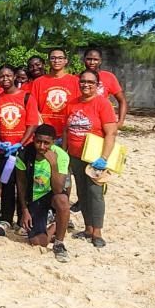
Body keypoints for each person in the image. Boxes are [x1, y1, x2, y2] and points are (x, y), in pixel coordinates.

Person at [63, 70, 118, 248]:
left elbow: (111, 132)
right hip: (75, 156)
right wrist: (64, 151)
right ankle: (87, 228)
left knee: (95, 193)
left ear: (97, 84)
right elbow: (66, 129)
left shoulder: (103, 104)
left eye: (90, 82)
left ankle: (97, 232)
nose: (86, 85)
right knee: (82, 192)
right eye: (83, 81)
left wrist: (104, 158)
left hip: (95, 157)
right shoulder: (71, 103)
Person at [15, 124, 72, 262]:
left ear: (53, 142)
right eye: (38, 142)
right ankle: (56, 226)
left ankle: (59, 243)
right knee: (38, 241)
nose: (41, 146)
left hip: (52, 194)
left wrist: (53, 165)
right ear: (33, 139)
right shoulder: (24, 154)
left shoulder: (61, 155)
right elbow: (21, 184)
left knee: (62, 201)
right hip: (34, 197)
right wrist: (25, 210)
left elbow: (59, 189)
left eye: (46, 143)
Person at [0, 65, 38, 227]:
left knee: (24, 185)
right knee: (6, 183)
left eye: (8, 76)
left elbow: (32, 124)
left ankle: (22, 218)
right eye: (1, 76)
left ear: (15, 77)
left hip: (23, 149)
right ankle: (6, 217)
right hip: (5, 151)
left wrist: (21, 143)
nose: (5, 79)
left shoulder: (27, 97)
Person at [26, 48, 79, 138]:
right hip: (45, 134)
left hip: (68, 133)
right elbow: (34, 108)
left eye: (60, 58)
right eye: (53, 58)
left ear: (66, 61)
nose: (56, 61)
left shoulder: (76, 81)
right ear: (48, 61)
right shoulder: (38, 82)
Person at [82, 48, 128, 126]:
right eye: (89, 59)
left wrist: (120, 122)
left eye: (95, 59)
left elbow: (122, 100)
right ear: (84, 60)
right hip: (81, 122)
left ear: (100, 61)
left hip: (103, 122)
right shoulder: (77, 78)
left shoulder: (109, 77)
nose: (92, 62)